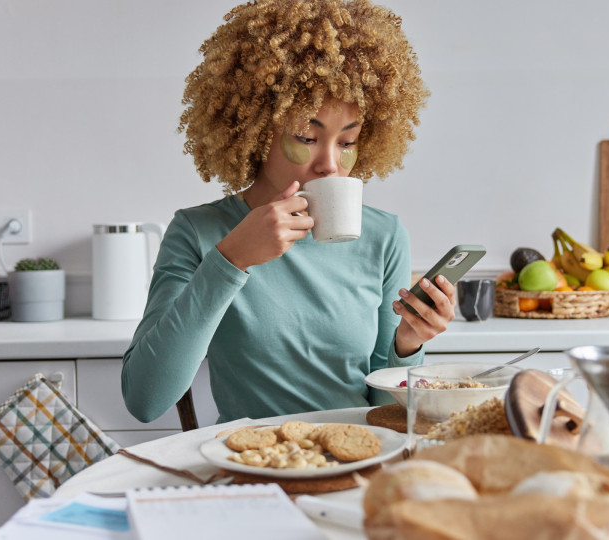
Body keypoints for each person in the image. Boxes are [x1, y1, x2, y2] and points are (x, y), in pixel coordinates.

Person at [122, 0, 455, 424]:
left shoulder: (385, 237)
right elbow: (144, 399)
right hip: (255, 470)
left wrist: (409, 344)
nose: (330, 164)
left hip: (360, 464)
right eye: (306, 136)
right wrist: (231, 259)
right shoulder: (200, 232)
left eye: (347, 142)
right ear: (256, 129)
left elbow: (386, 414)